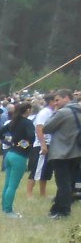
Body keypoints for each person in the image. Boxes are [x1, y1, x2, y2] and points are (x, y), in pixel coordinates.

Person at [42, 89, 81, 221]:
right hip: (76, 152)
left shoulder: (63, 112)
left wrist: (54, 113)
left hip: (61, 153)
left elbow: (46, 127)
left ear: (67, 98)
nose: (55, 103)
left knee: (63, 183)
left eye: (58, 100)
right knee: (68, 182)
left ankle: (64, 211)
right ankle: (56, 208)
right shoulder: (79, 110)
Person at [0, 101, 35, 217]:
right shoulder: (27, 123)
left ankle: (4, 207)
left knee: (7, 184)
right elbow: (31, 137)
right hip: (20, 156)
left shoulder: (13, 122)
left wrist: (12, 141)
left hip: (10, 154)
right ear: (27, 110)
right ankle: (8, 210)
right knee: (13, 185)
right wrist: (23, 144)